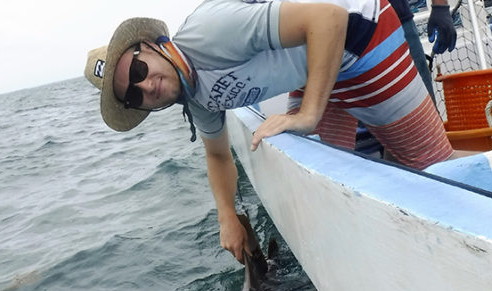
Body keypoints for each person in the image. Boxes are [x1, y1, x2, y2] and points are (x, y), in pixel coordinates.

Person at [84, 0, 461, 263]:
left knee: (438, 177)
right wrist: (227, 216)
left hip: (363, 38)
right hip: (317, 63)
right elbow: (217, 155)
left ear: (147, 46)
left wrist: (308, 114)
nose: (146, 86)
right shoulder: (195, 96)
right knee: (326, 182)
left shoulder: (208, 35)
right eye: (133, 95)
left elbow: (329, 19)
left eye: (137, 72)